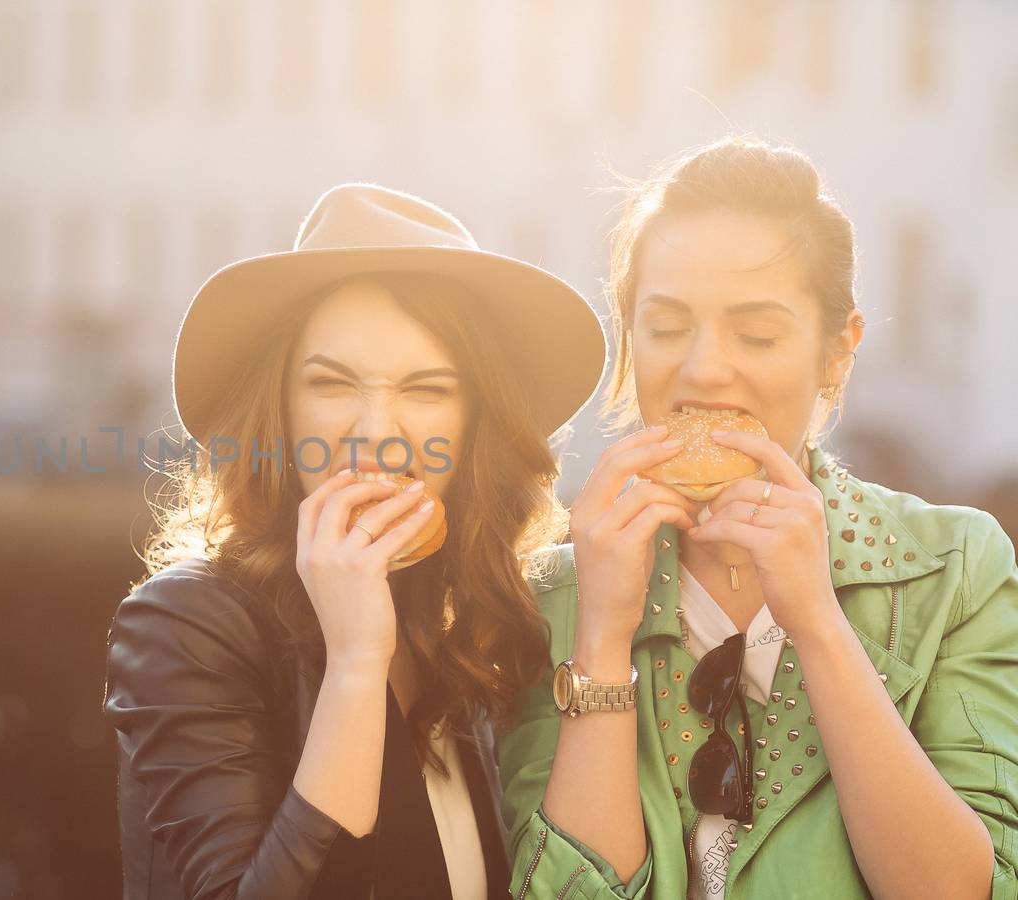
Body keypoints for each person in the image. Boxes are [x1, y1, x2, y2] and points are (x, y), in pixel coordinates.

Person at [497, 135, 1018, 899]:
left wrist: (817, 623)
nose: (705, 368)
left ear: (838, 352)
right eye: (668, 327)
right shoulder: (550, 595)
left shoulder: (957, 569)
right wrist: (603, 635)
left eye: (758, 334)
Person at [103, 182, 607, 899]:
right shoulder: (187, 623)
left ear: (474, 428)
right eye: (334, 385)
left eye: (426, 390)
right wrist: (355, 665)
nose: (375, 433)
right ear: (279, 410)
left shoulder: (462, 629)